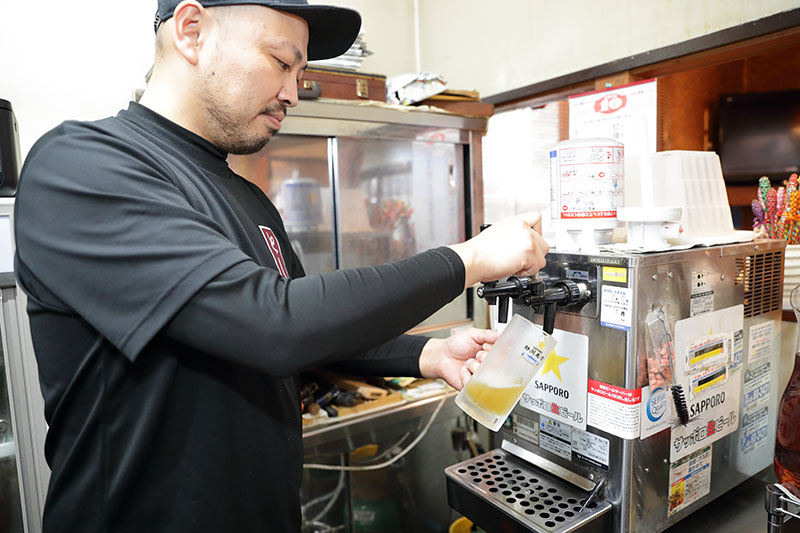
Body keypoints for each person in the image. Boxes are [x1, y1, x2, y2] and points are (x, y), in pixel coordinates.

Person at [13, 1, 549, 531]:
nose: (293, 92)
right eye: (280, 61)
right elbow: (273, 324)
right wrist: (470, 258)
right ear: (192, 31)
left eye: (301, 72)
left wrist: (426, 353)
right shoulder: (84, 165)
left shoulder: (247, 198)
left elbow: (314, 333)